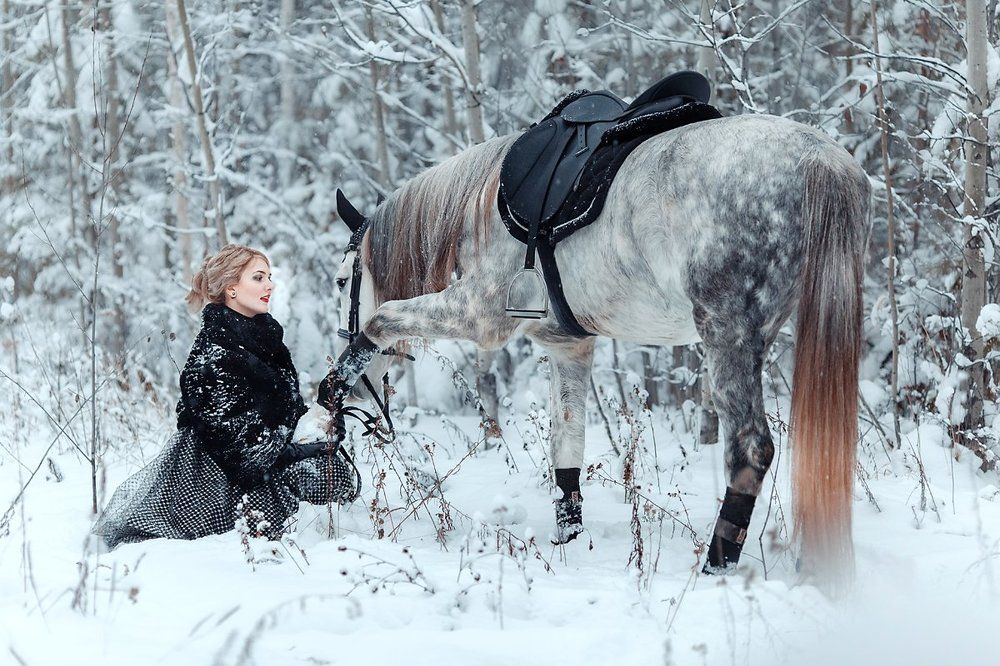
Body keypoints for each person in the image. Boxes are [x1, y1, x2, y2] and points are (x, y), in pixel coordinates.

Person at [94, 244, 358, 549]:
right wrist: (306, 449)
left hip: (265, 458)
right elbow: (241, 453)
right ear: (232, 289)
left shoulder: (265, 337)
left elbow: (283, 410)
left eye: (269, 277)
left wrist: (319, 427)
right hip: (218, 483)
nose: (270, 285)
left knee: (335, 476)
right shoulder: (215, 353)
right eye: (258, 278)